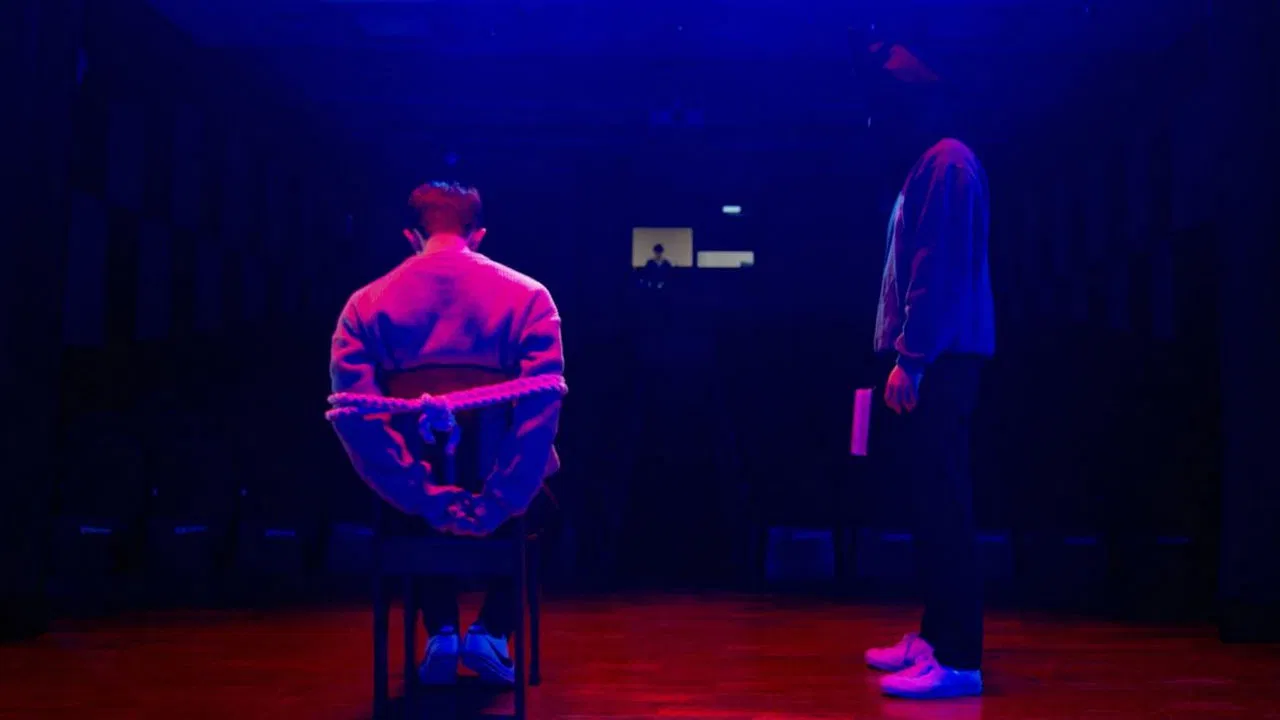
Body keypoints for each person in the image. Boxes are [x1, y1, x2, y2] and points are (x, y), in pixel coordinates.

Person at [329, 182, 564, 686]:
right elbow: (538, 416)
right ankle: (492, 632)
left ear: (410, 236)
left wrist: (424, 495)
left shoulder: (363, 305)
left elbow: (359, 422)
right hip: (501, 495)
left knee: (397, 504)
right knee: (546, 509)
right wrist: (499, 500)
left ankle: (439, 630)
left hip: (413, 503)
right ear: (478, 235)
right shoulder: (530, 297)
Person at [859, 36, 995, 699]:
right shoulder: (934, 163)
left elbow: (934, 271)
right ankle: (938, 637)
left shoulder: (947, 163)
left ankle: (958, 657)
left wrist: (911, 359)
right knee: (931, 502)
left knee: (944, 504)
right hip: (936, 358)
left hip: (940, 360)